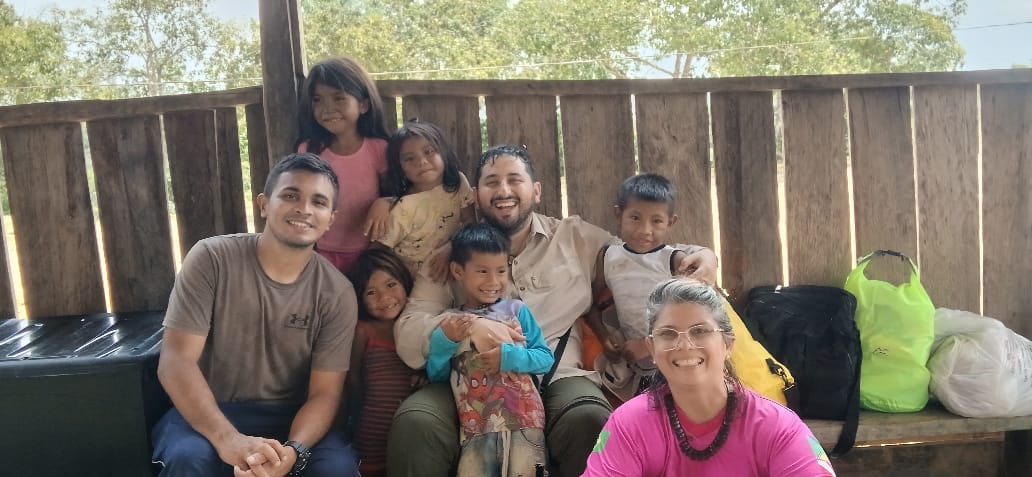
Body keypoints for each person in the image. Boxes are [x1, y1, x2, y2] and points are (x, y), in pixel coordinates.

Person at [388, 144, 719, 477]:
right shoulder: (453, 256)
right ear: (475, 194)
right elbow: (408, 331)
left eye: (514, 180)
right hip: (469, 380)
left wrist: (704, 256)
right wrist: (468, 325)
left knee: (590, 418)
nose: (503, 191)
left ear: (536, 191)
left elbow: (642, 252)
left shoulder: (574, 238)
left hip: (557, 376)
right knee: (416, 421)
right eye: (492, 182)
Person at [151, 153, 360, 477]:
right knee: (188, 458)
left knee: (336, 469)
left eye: (318, 202)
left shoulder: (338, 292)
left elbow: (325, 393)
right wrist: (229, 440)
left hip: (291, 417)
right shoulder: (212, 259)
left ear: (330, 218)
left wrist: (294, 451)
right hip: (209, 410)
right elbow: (176, 361)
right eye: (291, 195)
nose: (304, 209)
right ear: (263, 204)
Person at [582, 278, 836, 476]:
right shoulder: (629, 425)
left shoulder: (776, 427)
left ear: (728, 344)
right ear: (652, 348)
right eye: (668, 333)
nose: (684, 345)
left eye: (700, 331)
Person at [426, 223, 553, 476]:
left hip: (526, 425)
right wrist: (445, 342)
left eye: (501, 271)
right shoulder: (453, 323)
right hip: (475, 431)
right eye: (482, 271)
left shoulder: (516, 310)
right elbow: (437, 375)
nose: (493, 281)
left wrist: (509, 357)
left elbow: (545, 359)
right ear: (458, 271)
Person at [583, 173, 691, 403]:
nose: (644, 230)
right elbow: (590, 307)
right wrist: (604, 337)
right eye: (635, 218)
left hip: (680, 361)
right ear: (618, 214)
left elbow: (694, 317)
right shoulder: (609, 257)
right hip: (638, 369)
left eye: (657, 221)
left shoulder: (673, 261)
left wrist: (648, 345)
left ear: (671, 222)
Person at [297, 56, 393, 273]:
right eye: (317, 100)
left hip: (371, 254)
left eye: (339, 98)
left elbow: (398, 192)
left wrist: (385, 202)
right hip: (319, 253)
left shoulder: (379, 149)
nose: (327, 108)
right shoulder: (309, 151)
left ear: (363, 105)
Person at [342, 248, 426, 477]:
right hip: (372, 427)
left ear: (404, 282)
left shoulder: (418, 326)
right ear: (360, 298)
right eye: (371, 292)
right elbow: (352, 378)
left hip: (410, 430)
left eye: (391, 285)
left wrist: (423, 376)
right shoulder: (363, 331)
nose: (384, 297)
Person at [376, 119, 475, 281]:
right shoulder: (403, 208)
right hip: (417, 279)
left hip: (454, 265)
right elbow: (378, 249)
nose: (421, 161)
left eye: (429, 152)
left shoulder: (458, 183)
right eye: (409, 158)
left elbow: (470, 222)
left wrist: (451, 247)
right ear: (400, 168)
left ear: (443, 152)